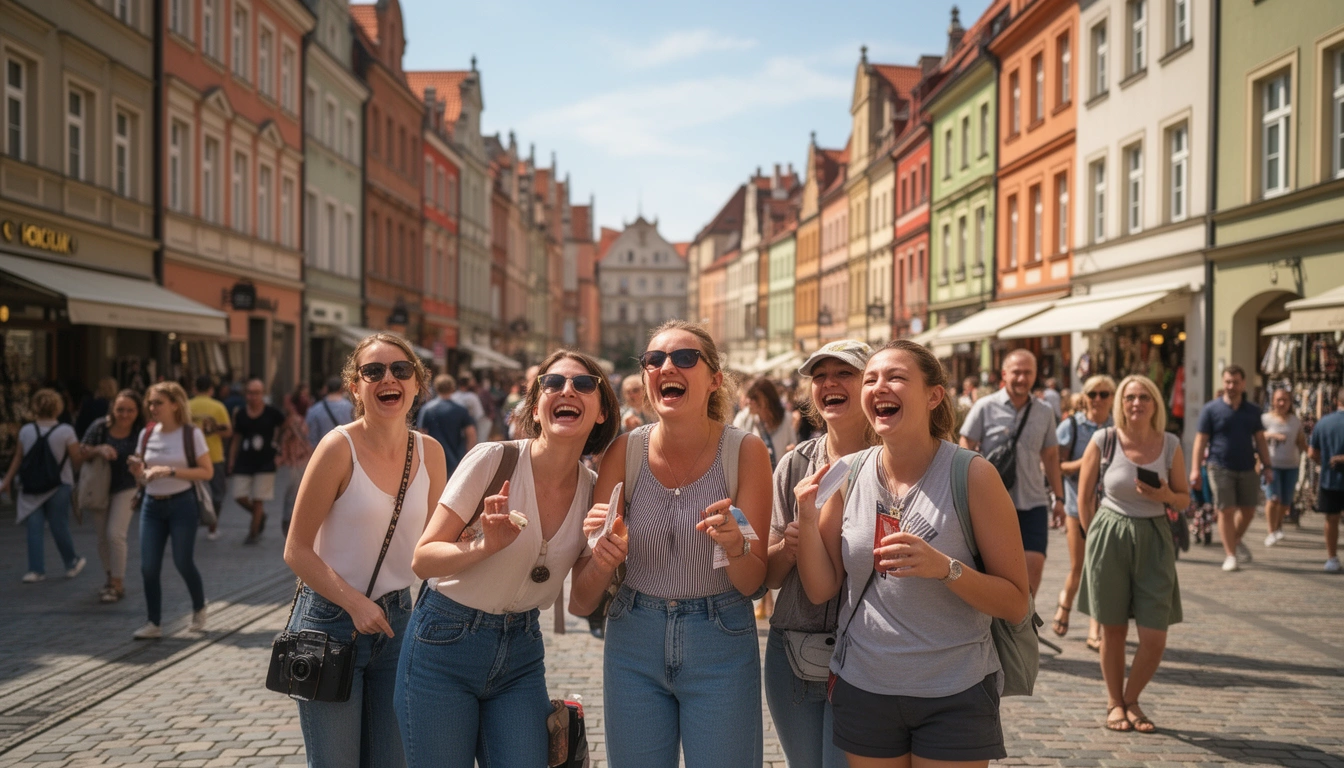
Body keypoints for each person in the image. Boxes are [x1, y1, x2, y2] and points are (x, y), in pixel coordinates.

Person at [794, 340, 1030, 766]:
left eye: (896, 377)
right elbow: (820, 589)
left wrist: (945, 568)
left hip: (954, 691)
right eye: (871, 379)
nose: (879, 387)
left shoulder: (972, 475)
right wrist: (807, 521)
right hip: (865, 687)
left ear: (933, 395)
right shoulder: (849, 474)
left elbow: (1015, 602)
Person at [396, 350, 619, 768]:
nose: (567, 390)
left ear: (602, 411)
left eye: (583, 384)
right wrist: (484, 546)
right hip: (444, 643)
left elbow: (580, 604)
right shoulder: (493, 459)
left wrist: (605, 562)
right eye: (553, 383)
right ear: (535, 407)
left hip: (521, 652)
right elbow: (423, 560)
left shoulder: (594, 491)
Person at [574, 320, 772, 768]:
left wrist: (736, 546)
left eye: (684, 358)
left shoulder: (745, 451)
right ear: (646, 377)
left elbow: (753, 582)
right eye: (654, 359)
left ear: (714, 380)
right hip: (634, 637)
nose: (667, 366)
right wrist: (604, 557)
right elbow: (583, 596)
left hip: (720, 638)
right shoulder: (624, 452)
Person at [283, 333, 446, 768]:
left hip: (398, 623)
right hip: (330, 620)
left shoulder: (430, 452)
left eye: (400, 370)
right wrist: (355, 604)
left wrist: (487, 537)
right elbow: (296, 550)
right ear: (355, 387)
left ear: (416, 383)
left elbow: (435, 543)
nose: (387, 378)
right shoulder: (338, 448)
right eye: (373, 371)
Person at [764, 340, 876, 768]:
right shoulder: (795, 465)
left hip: (869, 656)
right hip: (794, 652)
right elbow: (768, 578)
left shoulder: (894, 466)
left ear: (870, 385)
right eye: (820, 376)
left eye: (844, 373)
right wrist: (789, 548)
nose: (830, 383)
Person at [1077, 375, 1188, 733]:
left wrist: (1166, 495)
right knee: (1113, 630)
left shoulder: (1170, 444)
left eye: (1144, 397)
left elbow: (1184, 499)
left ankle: (1132, 698)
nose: (1136, 403)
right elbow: (1084, 497)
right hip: (1110, 534)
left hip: (1155, 537)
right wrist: (1093, 536)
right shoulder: (1104, 439)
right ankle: (1116, 703)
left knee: (1154, 636)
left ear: (1155, 403)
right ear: (1121, 404)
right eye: (1129, 397)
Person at [960, 349, 1065, 596]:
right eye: (1016, 372)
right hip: (992, 503)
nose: (1022, 378)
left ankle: (1022, 617)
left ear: (1035, 375)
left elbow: (1050, 456)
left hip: (1033, 501)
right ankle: (999, 617)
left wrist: (1059, 498)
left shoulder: (1044, 411)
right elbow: (965, 443)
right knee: (995, 570)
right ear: (1005, 374)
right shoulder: (985, 406)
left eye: (1028, 373)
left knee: (1034, 567)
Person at [128, 381, 213, 639]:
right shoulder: (146, 434)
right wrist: (138, 472)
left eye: (159, 403)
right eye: (150, 403)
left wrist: (170, 471)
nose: (152, 407)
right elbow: (142, 473)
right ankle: (153, 622)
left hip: (182, 504)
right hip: (151, 506)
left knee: (182, 561)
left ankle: (199, 606)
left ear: (175, 405)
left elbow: (206, 471)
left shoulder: (191, 434)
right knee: (148, 567)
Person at [1189, 365, 1273, 572]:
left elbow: (1260, 440)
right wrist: (1194, 469)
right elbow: (1200, 440)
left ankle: (1234, 539)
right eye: (1227, 382)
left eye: (1235, 382)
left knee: (1248, 511)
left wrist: (1267, 465)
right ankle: (1230, 555)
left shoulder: (1253, 410)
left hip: (1247, 466)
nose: (1231, 386)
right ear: (1223, 382)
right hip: (1219, 466)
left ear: (1243, 384)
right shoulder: (1211, 409)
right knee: (1225, 510)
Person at [1054, 375, 1115, 650]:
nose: (1098, 399)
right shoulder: (1072, 426)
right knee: (1079, 567)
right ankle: (1065, 603)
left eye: (1104, 394)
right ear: (1085, 397)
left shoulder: (1118, 428)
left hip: (1109, 510)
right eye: (1093, 394)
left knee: (1101, 568)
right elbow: (1056, 466)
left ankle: (1095, 628)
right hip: (1075, 507)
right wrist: (1087, 462)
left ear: (1112, 398)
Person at [1, 388, 86, 584]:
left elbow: (18, 458)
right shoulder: (66, 431)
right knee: (59, 525)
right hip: (60, 484)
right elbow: (76, 460)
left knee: (34, 527)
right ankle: (71, 562)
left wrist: (6, 482)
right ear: (58, 407)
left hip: (31, 486)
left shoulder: (26, 430)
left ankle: (36, 570)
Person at [77, 390, 146, 602]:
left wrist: (139, 463)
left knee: (115, 534)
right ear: (113, 409)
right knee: (102, 537)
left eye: (130, 410)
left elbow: (149, 457)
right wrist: (99, 449)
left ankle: (117, 583)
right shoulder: (100, 426)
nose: (124, 414)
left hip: (127, 487)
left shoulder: (141, 432)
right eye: (120, 409)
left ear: (138, 411)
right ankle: (109, 578)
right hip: (100, 487)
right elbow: (82, 451)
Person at [229, 378, 286, 544]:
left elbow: (285, 426)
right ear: (245, 394)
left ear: (263, 394)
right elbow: (236, 438)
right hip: (244, 460)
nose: (253, 396)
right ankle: (260, 515)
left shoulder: (272, 412)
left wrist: (279, 449)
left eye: (257, 393)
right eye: (250, 393)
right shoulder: (241, 414)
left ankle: (252, 534)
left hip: (266, 461)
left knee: (258, 498)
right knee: (239, 495)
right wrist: (231, 460)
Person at [189, 375, 233, 541]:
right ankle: (212, 527)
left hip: (190, 456)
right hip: (213, 455)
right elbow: (228, 432)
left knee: (190, 493)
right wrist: (214, 430)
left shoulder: (186, 406)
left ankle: (191, 524)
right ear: (211, 390)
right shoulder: (218, 406)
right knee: (218, 492)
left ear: (194, 389)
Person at [1261, 388, 1306, 547]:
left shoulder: (1295, 421)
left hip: (1291, 466)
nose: (1281, 403)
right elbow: (1257, 437)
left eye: (1285, 400)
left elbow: (1301, 442)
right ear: (1273, 401)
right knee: (1273, 498)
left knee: (1286, 502)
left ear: (1290, 402)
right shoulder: (1265, 419)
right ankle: (1271, 531)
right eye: (1278, 400)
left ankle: (1278, 525)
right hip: (1272, 465)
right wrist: (1271, 435)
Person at [1308, 388, 1344, 573]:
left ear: (1337, 401)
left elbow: (1311, 452)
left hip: (1330, 478)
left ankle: (1332, 558)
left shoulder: (1324, 422)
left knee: (1331, 519)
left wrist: (1325, 462)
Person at [416, 374, 477, 476]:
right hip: (457, 459)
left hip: (433, 458)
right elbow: (471, 434)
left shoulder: (427, 409)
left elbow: (421, 433)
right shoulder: (461, 409)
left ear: (436, 388)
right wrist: (469, 456)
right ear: (453, 388)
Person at [278, 385, 313, 537]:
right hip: (297, 461)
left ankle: (289, 524)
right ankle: (290, 525)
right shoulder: (296, 421)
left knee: (294, 493)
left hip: (296, 460)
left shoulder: (294, 421)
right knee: (295, 494)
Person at [744, 377, 797, 470]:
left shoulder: (786, 418)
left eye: (754, 397)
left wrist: (790, 450)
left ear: (767, 398)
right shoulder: (746, 420)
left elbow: (793, 444)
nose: (748, 401)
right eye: (748, 397)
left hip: (781, 473)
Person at [307, 376, 355, 449]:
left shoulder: (314, 410)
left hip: (322, 451)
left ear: (326, 388)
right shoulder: (351, 408)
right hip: (346, 451)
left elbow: (312, 437)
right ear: (341, 388)